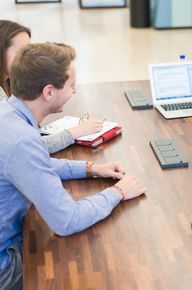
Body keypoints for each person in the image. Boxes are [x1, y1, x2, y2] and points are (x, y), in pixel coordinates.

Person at [0, 42, 147, 290]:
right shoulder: (22, 140)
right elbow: (67, 221)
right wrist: (119, 192)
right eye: (71, 85)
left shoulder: (10, 113)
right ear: (48, 92)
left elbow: (36, 165)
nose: (75, 91)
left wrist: (91, 168)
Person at [0, 19, 103, 154]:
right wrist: (77, 131)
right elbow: (30, 148)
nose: (28, 57)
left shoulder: (9, 86)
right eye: (22, 51)